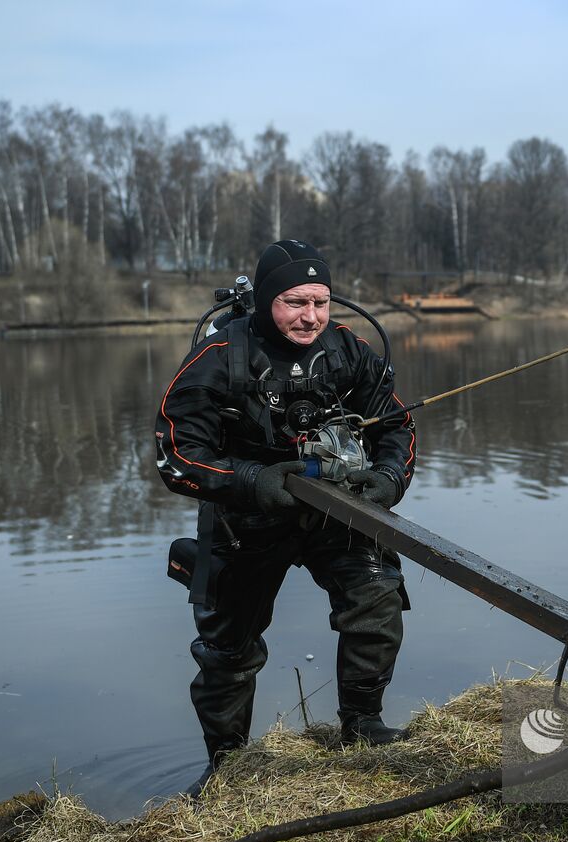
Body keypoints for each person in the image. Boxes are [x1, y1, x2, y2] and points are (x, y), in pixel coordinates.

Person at [155, 239, 417, 790]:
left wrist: (388, 479)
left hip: (333, 506)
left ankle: (363, 726)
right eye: (295, 302)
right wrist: (252, 480)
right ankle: (228, 765)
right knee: (228, 647)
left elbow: (395, 425)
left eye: (321, 302)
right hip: (245, 517)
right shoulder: (220, 356)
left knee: (377, 597)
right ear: (268, 300)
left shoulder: (349, 351)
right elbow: (176, 455)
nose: (311, 316)